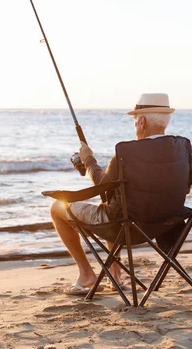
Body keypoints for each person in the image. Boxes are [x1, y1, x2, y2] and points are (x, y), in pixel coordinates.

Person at [50, 93, 176, 295]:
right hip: (163, 225)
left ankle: (86, 274)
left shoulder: (127, 153)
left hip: (126, 226)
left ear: (142, 122)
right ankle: (115, 274)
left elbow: (102, 184)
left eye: (135, 121)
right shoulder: (181, 150)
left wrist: (89, 159)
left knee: (57, 208)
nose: (135, 126)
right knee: (116, 202)